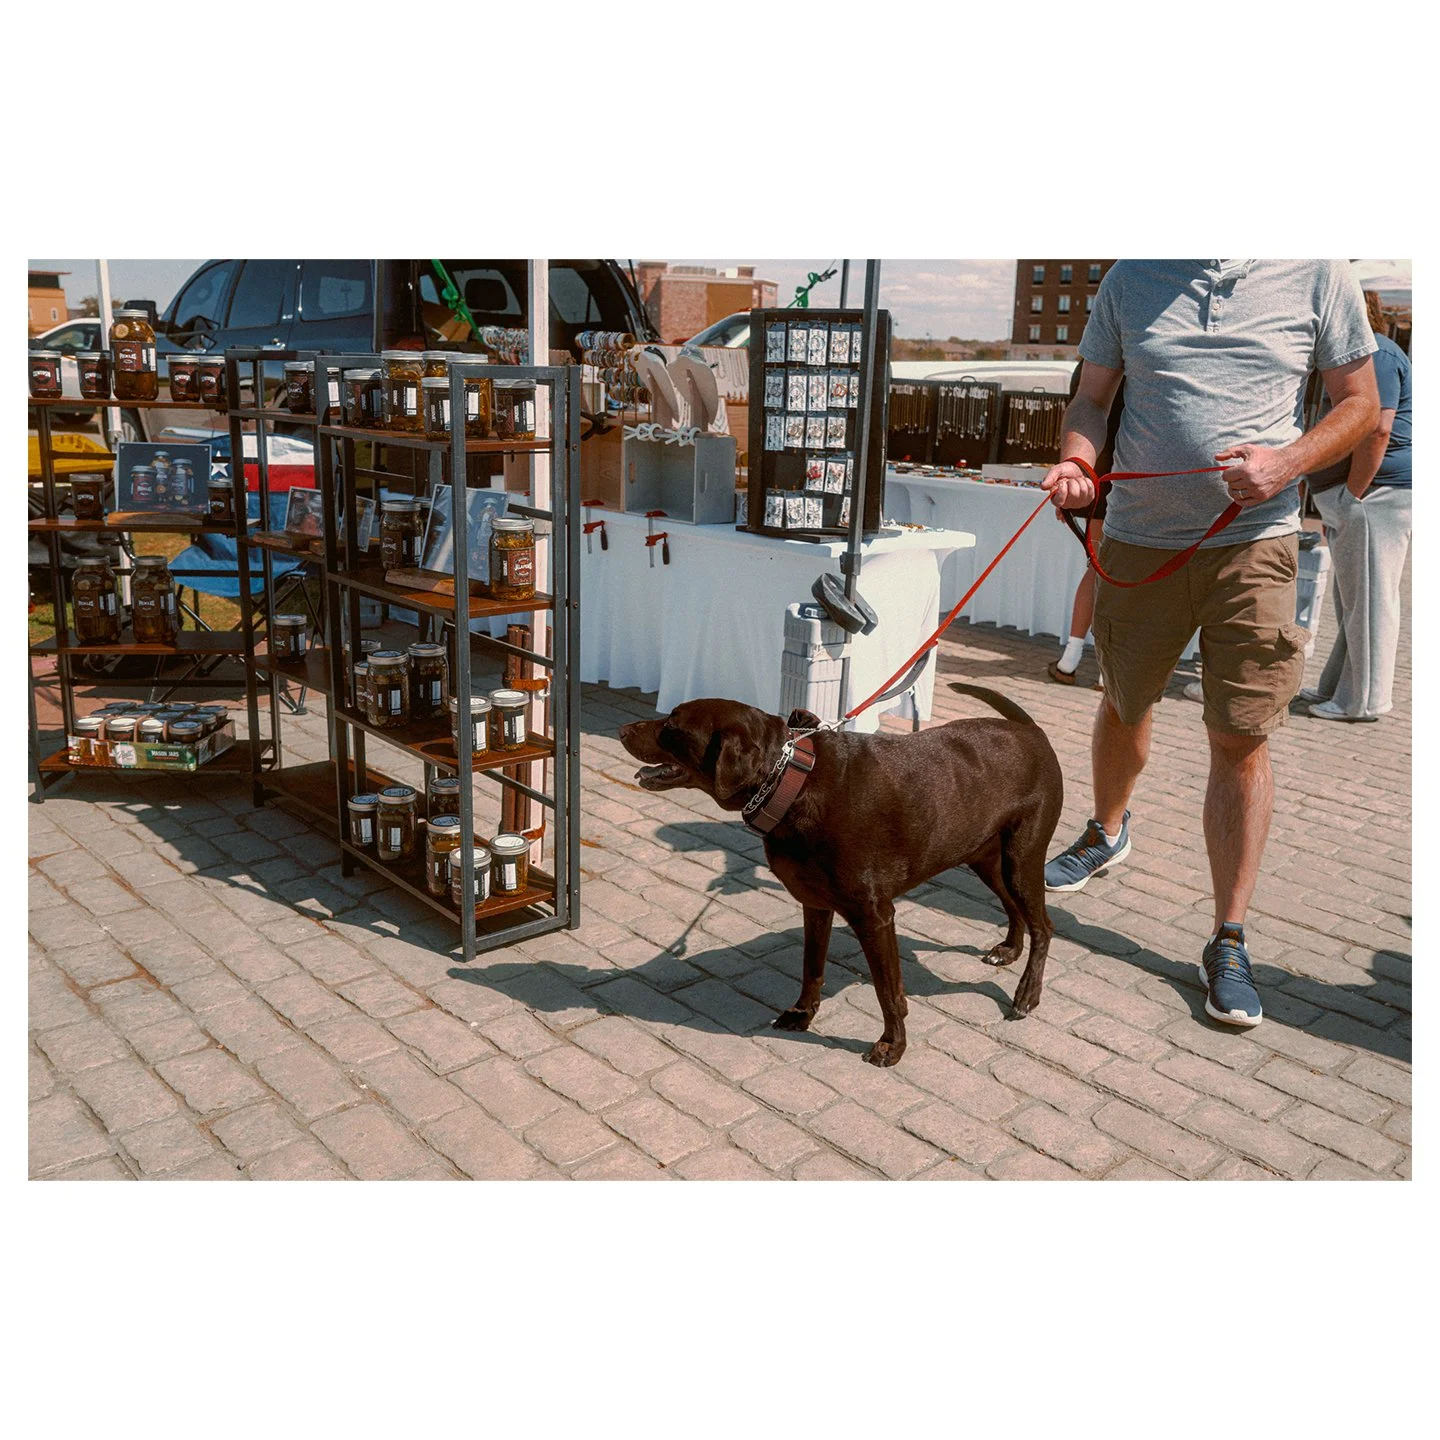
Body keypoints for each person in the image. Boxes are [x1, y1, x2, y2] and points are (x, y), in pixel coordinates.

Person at [1040, 260, 1379, 1029]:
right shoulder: (1131, 277)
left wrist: (1288, 462)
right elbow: (1093, 398)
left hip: (1254, 545)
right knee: (1125, 701)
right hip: (1138, 540)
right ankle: (1108, 830)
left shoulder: (1319, 271)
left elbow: (1360, 403)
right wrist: (1078, 460)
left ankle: (1229, 937)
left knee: (1239, 735)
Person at [1301, 290, 1412, 721]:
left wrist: (1354, 493)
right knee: (1354, 599)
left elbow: (1375, 430)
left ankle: (1360, 701)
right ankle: (1337, 689)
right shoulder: (1372, 355)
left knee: (1369, 600)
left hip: (1374, 494)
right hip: (1366, 494)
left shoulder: (1376, 355)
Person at [1047, 367, 1123, 686]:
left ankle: (1071, 659)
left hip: (1096, 482)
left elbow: (1075, 426)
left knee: (1098, 570)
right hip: (1121, 482)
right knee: (1115, 574)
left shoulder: (1089, 368)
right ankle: (1104, 669)